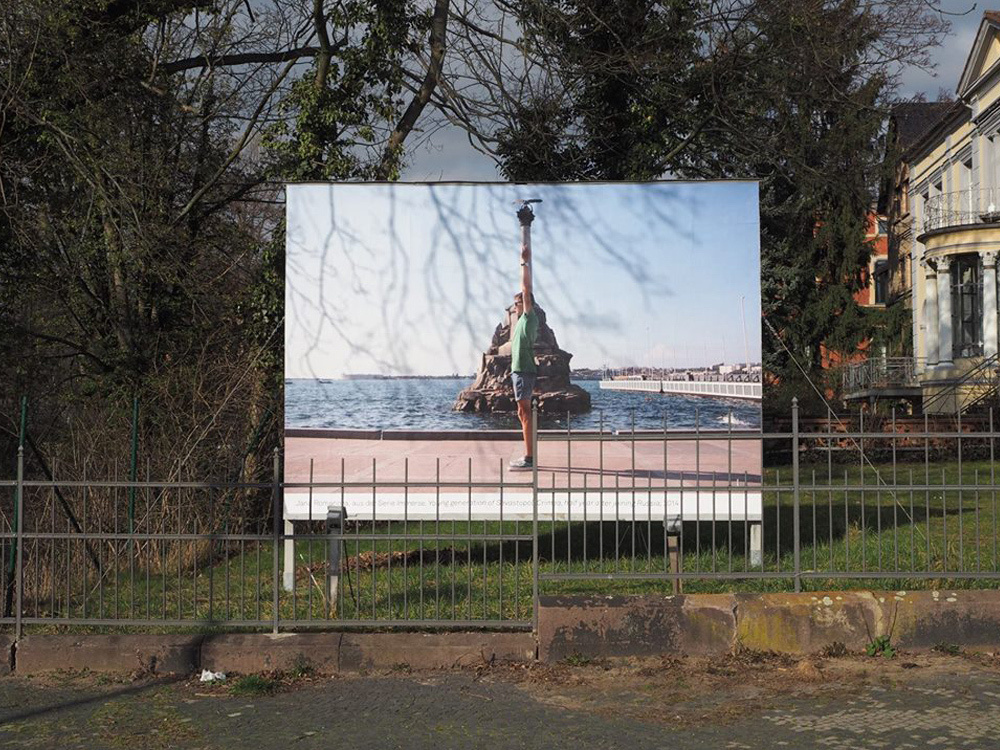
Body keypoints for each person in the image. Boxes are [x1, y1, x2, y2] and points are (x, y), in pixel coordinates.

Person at [509, 204, 538, 470]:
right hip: (519, 370)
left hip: (524, 371)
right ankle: (529, 455)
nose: (516, 302)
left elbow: (526, 288)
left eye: (519, 300)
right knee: (522, 411)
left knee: (525, 411)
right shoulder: (520, 323)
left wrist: (524, 260)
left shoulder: (529, 317)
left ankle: (529, 458)